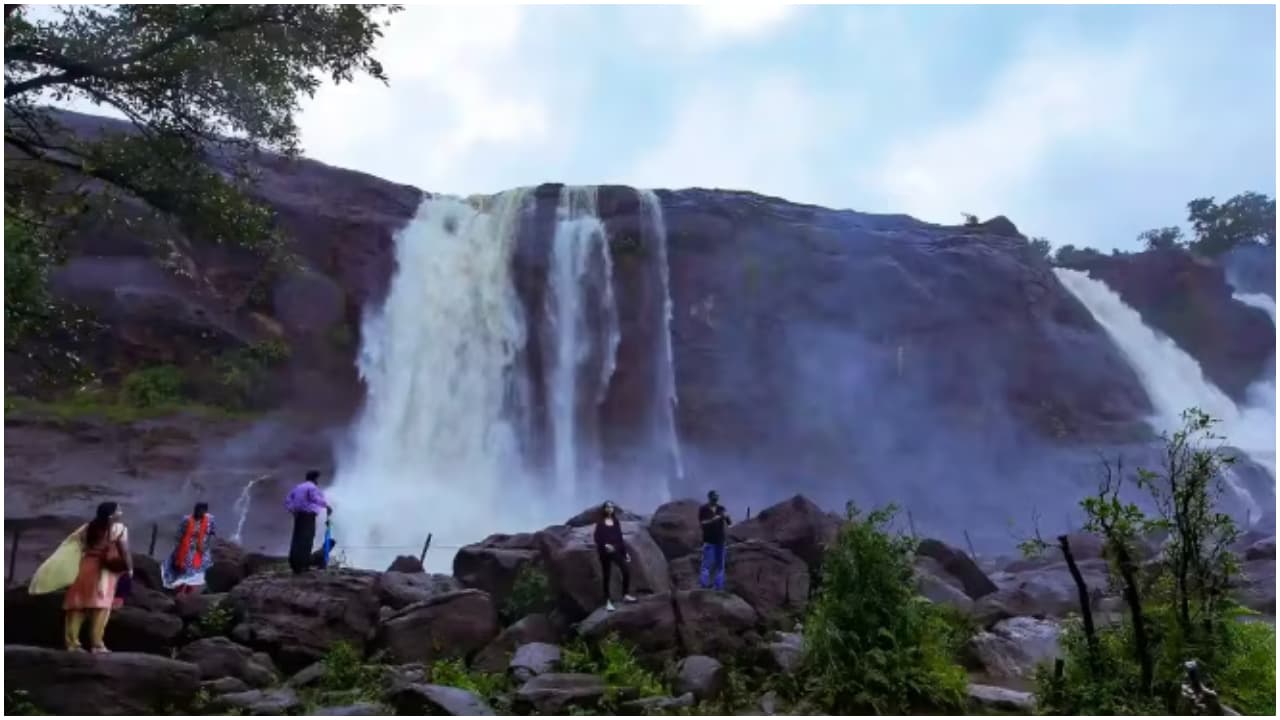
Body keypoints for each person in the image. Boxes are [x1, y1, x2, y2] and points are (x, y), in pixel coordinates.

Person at [63, 502, 132, 653]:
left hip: (85, 566)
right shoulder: (118, 529)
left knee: (77, 605)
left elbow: (76, 545)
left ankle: (72, 643)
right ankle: (97, 644)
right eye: (118, 510)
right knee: (101, 606)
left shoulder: (88, 527)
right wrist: (129, 568)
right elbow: (124, 551)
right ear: (112, 514)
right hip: (104, 571)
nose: (121, 512)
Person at [161, 502, 217, 595]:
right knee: (182, 573)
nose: (201, 512)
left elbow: (212, 533)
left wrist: (206, 545)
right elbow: (178, 535)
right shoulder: (187, 520)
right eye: (199, 510)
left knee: (195, 574)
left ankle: (188, 594)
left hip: (199, 551)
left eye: (203, 510)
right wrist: (178, 550)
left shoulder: (209, 520)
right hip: (185, 551)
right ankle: (178, 592)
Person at [284, 470, 332, 574]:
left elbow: (288, 500)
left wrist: (292, 510)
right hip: (308, 516)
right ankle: (304, 565)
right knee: (306, 540)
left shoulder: (297, 487)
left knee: (297, 539)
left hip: (298, 516)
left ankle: (294, 564)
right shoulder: (312, 487)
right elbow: (315, 498)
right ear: (315, 479)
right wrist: (326, 505)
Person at [594, 500, 636, 612]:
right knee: (607, 576)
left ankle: (625, 594)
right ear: (604, 509)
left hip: (616, 550)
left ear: (613, 509)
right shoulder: (600, 523)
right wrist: (605, 546)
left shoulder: (616, 522)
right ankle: (607, 601)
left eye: (611, 507)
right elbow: (597, 538)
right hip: (605, 553)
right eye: (607, 507)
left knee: (626, 570)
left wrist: (625, 552)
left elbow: (620, 538)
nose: (609, 509)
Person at [698, 490, 732, 590]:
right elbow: (702, 523)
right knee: (706, 564)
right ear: (709, 497)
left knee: (720, 565)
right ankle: (704, 585)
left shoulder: (721, 508)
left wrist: (727, 517)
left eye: (717, 496)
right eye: (714, 496)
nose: (715, 498)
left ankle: (718, 586)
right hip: (709, 541)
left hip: (720, 541)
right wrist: (714, 520)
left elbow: (729, 523)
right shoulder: (703, 509)